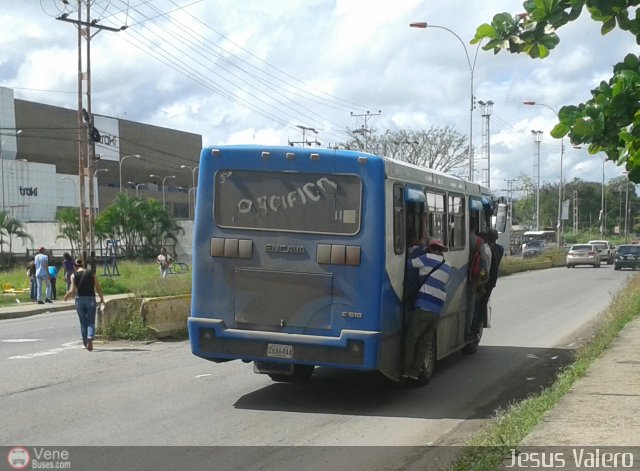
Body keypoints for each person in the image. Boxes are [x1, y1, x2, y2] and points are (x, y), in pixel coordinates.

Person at [403, 239, 451, 381]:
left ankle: (405, 372)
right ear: (441, 250)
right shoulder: (447, 266)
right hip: (437, 308)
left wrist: (414, 250)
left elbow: (407, 265)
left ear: (430, 249)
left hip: (423, 305)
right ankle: (415, 372)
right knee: (424, 342)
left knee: (411, 339)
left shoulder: (426, 258)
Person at [63, 259, 105, 352]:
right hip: (90, 299)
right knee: (90, 321)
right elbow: (98, 287)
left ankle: (85, 342)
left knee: (83, 322)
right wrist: (102, 298)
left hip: (79, 300)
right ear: (83, 265)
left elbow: (72, 290)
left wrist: (67, 295)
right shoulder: (91, 273)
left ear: (75, 266)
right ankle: (90, 337)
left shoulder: (73, 275)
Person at [475, 228, 505, 334]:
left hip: (485, 280)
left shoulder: (486, 249)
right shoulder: (500, 249)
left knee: (480, 302)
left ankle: (476, 325)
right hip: (492, 280)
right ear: (496, 238)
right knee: (484, 302)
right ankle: (478, 325)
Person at [466, 218, 487, 341]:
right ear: (476, 227)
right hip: (473, 277)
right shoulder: (479, 241)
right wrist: (484, 277)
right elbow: (483, 260)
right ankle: (468, 331)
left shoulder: (456, 237)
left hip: (458, 275)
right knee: (470, 304)